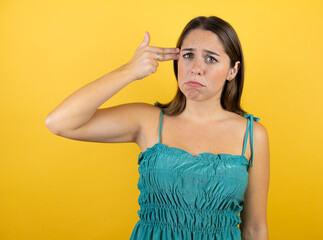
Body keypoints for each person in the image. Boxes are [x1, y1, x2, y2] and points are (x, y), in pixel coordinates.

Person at [45, 16, 270, 240]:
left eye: (211, 59)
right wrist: (130, 71)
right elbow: (59, 123)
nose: (196, 68)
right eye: (188, 56)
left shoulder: (252, 135)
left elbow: (255, 229)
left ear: (233, 70)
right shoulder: (147, 120)